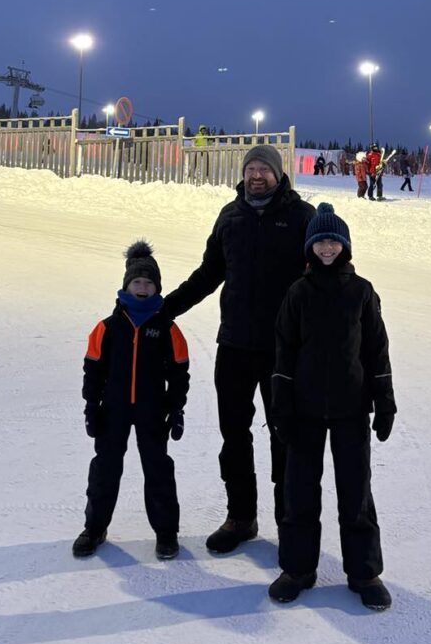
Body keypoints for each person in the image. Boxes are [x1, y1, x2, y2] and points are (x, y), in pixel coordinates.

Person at [161, 144, 316, 553]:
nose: (257, 175)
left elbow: (322, 279)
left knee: (285, 436)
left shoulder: (302, 217)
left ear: (279, 175)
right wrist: (166, 309)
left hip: (284, 350)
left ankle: (290, 523)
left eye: (265, 168)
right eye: (251, 168)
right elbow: (209, 274)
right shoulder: (231, 217)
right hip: (234, 345)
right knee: (234, 434)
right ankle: (241, 517)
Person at [270, 202, 395, 610]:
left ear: (345, 246)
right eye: (320, 241)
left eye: (333, 241)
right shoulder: (298, 292)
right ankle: (298, 568)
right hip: (304, 410)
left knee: (355, 492)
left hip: (351, 409)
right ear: (309, 248)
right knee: (299, 490)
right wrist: (282, 406)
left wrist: (385, 400)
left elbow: (377, 348)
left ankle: (364, 572)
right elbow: (284, 353)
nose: (327, 248)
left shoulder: (361, 291)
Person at [73, 242, 189, 561]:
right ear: (126, 285)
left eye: (148, 283)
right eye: (136, 282)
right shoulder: (107, 328)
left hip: (153, 411)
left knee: (158, 470)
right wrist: (91, 407)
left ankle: (166, 533)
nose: (142, 287)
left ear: (157, 287)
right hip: (114, 410)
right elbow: (93, 370)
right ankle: (94, 528)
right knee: (105, 469)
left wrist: (176, 409)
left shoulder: (167, 329)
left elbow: (180, 372)